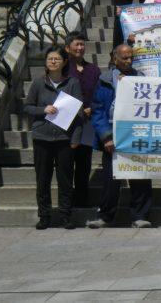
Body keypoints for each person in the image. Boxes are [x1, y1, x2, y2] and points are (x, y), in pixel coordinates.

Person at [87, 44, 153, 229]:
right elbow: (98, 110)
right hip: (112, 133)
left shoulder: (140, 78)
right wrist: (106, 137)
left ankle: (140, 215)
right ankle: (105, 216)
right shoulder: (105, 79)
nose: (128, 61)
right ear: (114, 58)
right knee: (111, 178)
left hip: (135, 132)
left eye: (131, 57)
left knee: (140, 175)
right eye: (124, 58)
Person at [24, 46, 83, 230]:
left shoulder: (72, 83)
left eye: (57, 59)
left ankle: (66, 215)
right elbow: (27, 107)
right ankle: (44, 215)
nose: (53, 62)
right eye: (50, 59)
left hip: (64, 139)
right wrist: (43, 110)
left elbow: (79, 114)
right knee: (43, 179)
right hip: (42, 137)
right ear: (46, 62)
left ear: (65, 62)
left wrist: (76, 138)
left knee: (65, 179)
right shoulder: (38, 83)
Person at [65, 31, 101, 208]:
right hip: (66, 124)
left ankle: (81, 199)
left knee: (84, 163)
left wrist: (91, 108)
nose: (80, 48)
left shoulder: (93, 70)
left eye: (82, 44)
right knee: (66, 163)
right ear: (67, 48)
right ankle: (66, 201)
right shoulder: (63, 69)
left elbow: (99, 94)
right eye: (76, 45)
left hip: (87, 123)